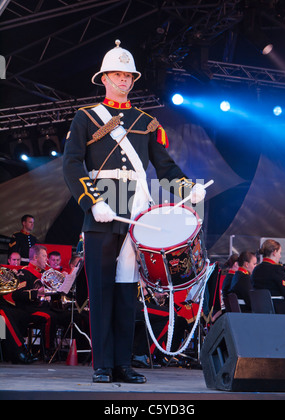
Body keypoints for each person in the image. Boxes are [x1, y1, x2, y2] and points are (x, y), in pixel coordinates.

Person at [63, 40, 207, 384]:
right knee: (100, 290)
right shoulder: (85, 118)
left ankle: (123, 364)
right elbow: (71, 165)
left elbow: (165, 167)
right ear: (104, 78)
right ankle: (102, 365)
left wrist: (189, 189)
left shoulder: (147, 122)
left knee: (128, 290)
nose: (123, 79)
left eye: (128, 75)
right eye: (117, 74)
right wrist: (91, 201)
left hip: (136, 214)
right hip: (100, 211)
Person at [252, 240, 285, 314]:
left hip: (261, 311)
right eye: (279, 253)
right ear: (274, 252)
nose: (280, 256)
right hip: (279, 310)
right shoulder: (277, 269)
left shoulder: (256, 269)